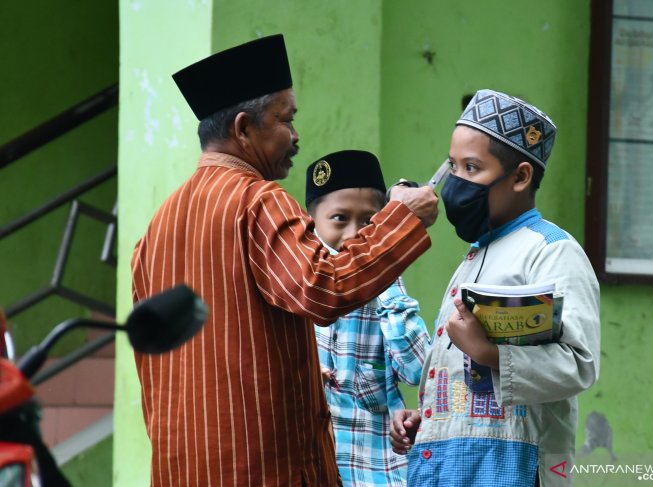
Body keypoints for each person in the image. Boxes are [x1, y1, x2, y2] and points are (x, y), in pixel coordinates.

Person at [131, 34, 439, 487]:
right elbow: (323, 286)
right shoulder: (256, 201)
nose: (296, 137)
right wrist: (400, 219)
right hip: (264, 469)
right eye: (286, 120)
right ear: (243, 129)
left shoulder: (155, 230)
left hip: (183, 468)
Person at [390, 89, 600, 487]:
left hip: (512, 468)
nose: (455, 181)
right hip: (450, 465)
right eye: (452, 165)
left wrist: (487, 352)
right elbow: (461, 379)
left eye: (472, 168)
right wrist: (429, 419)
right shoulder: (475, 256)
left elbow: (578, 364)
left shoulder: (552, 251)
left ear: (520, 176)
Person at [305, 150, 431, 486]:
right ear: (312, 224)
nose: (353, 235)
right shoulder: (298, 292)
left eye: (368, 222)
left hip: (376, 474)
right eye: (339, 219)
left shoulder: (388, 293)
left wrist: (385, 274)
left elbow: (419, 370)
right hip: (310, 469)